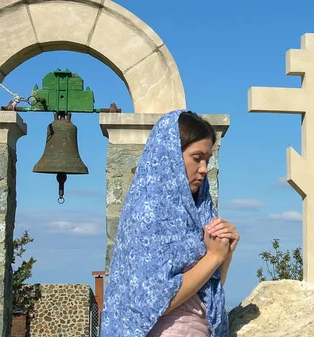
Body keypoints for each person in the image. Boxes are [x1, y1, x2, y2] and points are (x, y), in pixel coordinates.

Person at [100, 110, 240, 337]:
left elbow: (206, 291)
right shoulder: (147, 213)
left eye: (207, 160)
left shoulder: (197, 214)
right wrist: (213, 257)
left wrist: (225, 252)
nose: (204, 168)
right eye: (197, 158)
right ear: (171, 156)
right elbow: (156, 301)